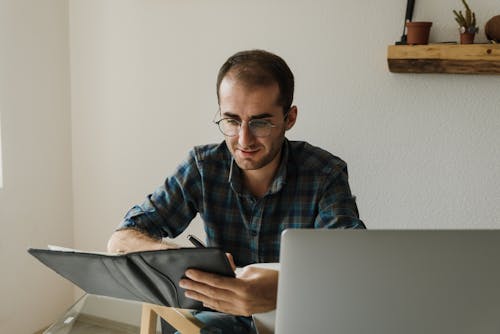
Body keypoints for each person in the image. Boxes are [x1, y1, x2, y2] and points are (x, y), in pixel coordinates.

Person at [107, 49, 365, 333]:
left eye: (260, 122)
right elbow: (121, 240)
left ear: (289, 118)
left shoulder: (324, 174)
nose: (244, 140)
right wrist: (181, 260)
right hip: (216, 322)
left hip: (296, 321)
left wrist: (283, 288)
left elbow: (350, 265)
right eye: (231, 121)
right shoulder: (203, 166)